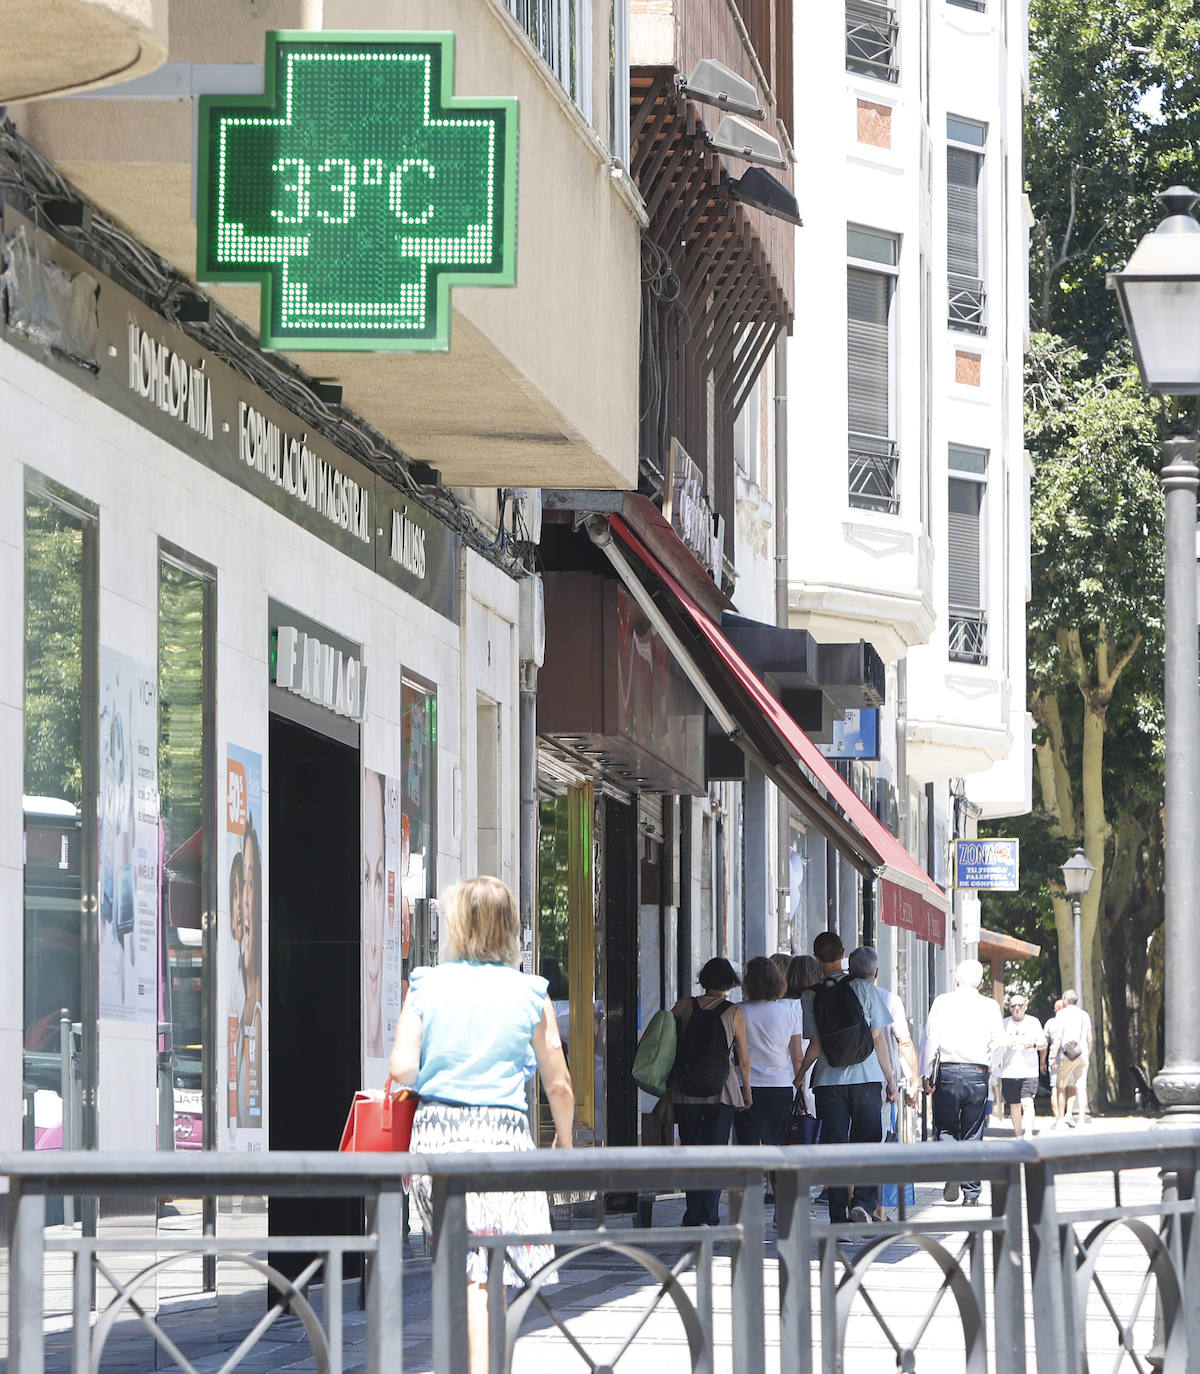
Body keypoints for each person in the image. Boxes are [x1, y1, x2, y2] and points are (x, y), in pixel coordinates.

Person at [389, 876, 574, 1374]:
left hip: (437, 1135)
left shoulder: (426, 983)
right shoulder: (530, 991)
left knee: (462, 1262)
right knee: (487, 1268)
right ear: (510, 926)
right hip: (502, 1138)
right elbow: (558, 1081)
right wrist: (564, 1140)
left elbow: (402, 1068)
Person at [797, 932, 898, 1224]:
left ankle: (837, 1217)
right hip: (867, 1077)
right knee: (867, 1140)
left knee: (835, 1146)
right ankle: (863, 1203)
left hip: (828, 1082)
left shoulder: (810, 995)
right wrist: (890, 1078)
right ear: (843, 953)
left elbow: (815, 1044)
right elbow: (878, 1038)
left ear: (816, 958)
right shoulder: (863, 988)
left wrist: (801, 1076)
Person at [671, 957, 752, 1226]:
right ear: (729, 983)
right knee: (716, 1152)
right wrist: (747, 1091)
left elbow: (668, 1045)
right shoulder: (734, 1012)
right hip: (723, 1091)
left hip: (685, 1090)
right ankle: (710, 1214)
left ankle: (693, 1214)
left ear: (703, 979)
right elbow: (743, 1058)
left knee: (691, 1151)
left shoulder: (683, 1006)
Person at [918, 959, 1003, 1206]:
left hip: (948, 1071)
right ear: (981, 983)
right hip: (977, 1072)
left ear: (956, 979)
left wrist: (925, 1074)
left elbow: (930, 1039)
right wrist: (992, 1067)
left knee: (945, 1127)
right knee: (973, 1131)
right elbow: (999, 1042)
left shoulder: (942, 1002)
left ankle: (952, 1170)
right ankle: (972, 1193)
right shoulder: (990, 1006)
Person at [848, 946, 918, 1219]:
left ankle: (853, 1201)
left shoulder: (838, 996)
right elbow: (903, 1041)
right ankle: (875, 1208)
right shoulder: (889, 999)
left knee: (847, 1143)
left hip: (839, 1082)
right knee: (876, 1143)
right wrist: (912, 1079)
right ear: (876, 972)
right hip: (877, 1082)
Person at [734, 957, 805, 1155]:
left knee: (747, 1149)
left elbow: (737, 1054)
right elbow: (797, 1058)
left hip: (745, 1086)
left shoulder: (737, 1011)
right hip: (779, 1087)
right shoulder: (789, 1014)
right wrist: (800, 1088)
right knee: (778, 1149)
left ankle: (751, 1186)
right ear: (778, 982)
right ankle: (778, 1186)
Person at [362, 770, 388, 1058]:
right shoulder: (530, 997)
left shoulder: (431, 991)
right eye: (364, 878)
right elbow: (558, 1086)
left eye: (378, 880)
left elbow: (405, 1065)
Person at [999, 993, 1046, 1138]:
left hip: (1029, 1070)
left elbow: (1044, 1044)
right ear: (1010, 1008)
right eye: (1013, 1006)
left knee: (1027, 1102)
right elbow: (995, 1045)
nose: (1017, 1008)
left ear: (1026, 1007)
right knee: (1014, 1105)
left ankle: (1029, 1134)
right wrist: (1006, 1044)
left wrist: (1032, 1045)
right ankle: (1018, 1135)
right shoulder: (1004, 1023)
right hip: (1009, 1071)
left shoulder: (1033, 1022)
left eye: (1020, 1005)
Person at [1050, 989, 1094, 1127]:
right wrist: (1088, 1054)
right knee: (1081, 1087)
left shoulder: (1062, 1014)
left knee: (1061, 1086)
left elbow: (1058, 1037)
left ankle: (1061, 1120)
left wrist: (1052, 1056)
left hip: (1067, 1055)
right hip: (1082, 1054)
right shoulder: (1084, 1015)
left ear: (1065, 1000)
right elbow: (1090, 1039)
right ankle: (1081, 1118)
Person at [785, 955, 820, 1115]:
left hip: (783, 1081)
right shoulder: (813, 1004)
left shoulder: (780, 1006)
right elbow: (799, 1056)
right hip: (810, 1080)